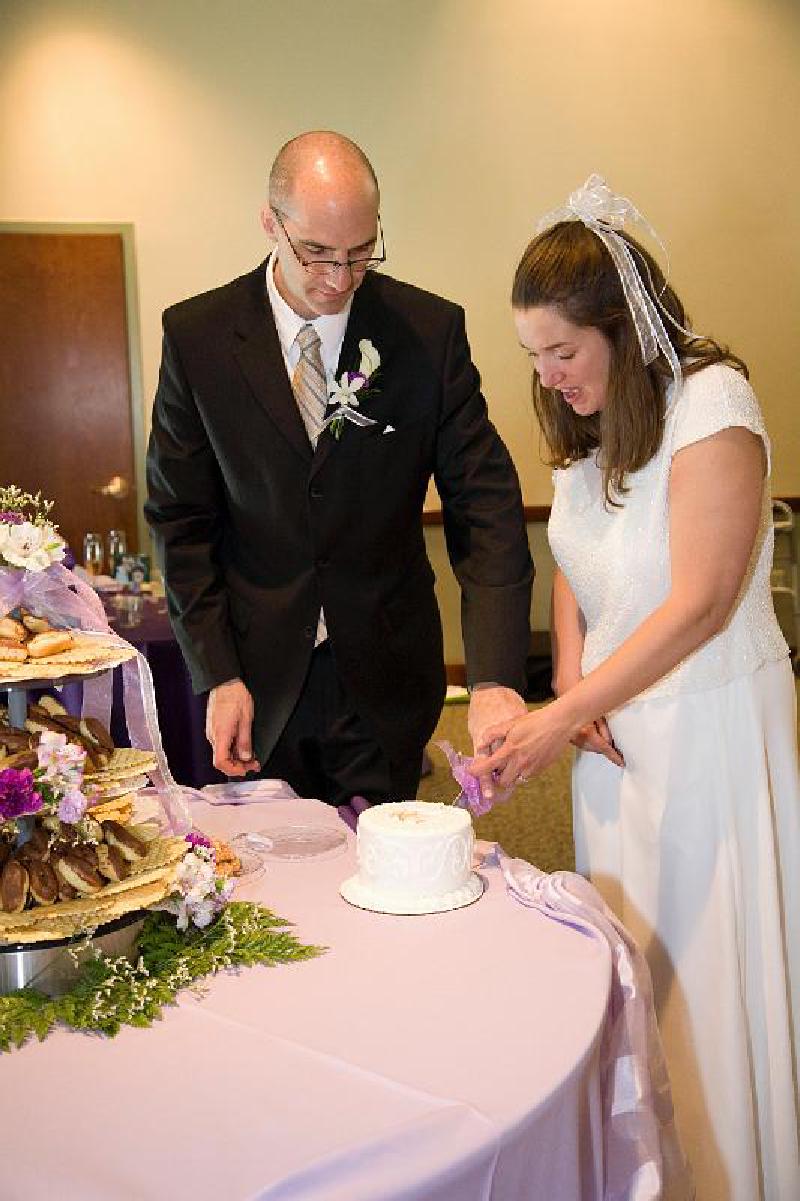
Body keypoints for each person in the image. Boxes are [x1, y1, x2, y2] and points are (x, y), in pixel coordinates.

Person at [477, 176, 800, 1201]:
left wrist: (556, 713)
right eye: (532, 354)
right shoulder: (584, 419)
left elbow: (701, 600)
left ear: (620, 326)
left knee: (707, 977)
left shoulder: (711, 401)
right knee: (636, 969)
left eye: (561, 351)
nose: (546, 374)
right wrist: (572, 677)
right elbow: (577, 561)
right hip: (613, 742)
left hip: (706, 727)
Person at [145, 130, 533, 808]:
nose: (338, 278)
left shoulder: (426, 333)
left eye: (361, 254)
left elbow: (486, 504)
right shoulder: (198, 337)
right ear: (271, 221)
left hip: (385, 676)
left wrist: (497, 676)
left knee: (389, 883)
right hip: (255, 681)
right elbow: (180, 519)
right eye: (316, 253)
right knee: (267, 890)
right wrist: (216, 672)